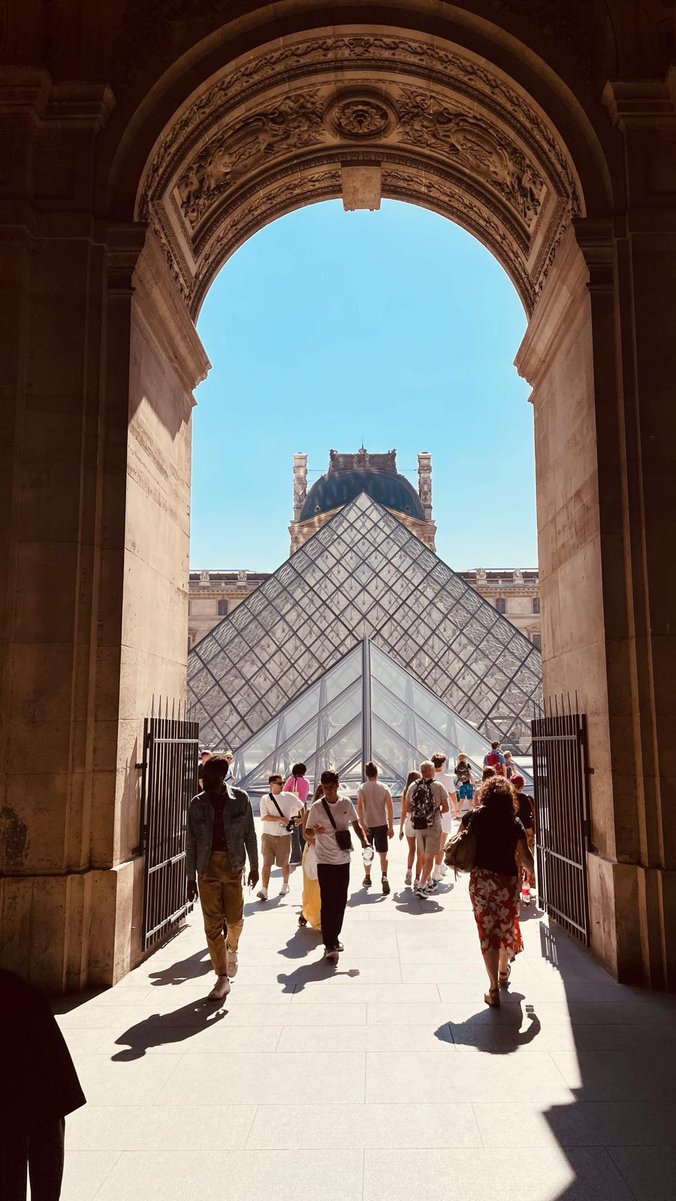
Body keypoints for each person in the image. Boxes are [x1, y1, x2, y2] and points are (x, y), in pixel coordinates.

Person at [0, 969, 86, 1201]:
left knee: (24, 1154)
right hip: (40, 1086)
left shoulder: (18, 993)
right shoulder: (19, 989)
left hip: (36, 1084)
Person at [186, 754, 259, 1001]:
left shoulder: (241, 799)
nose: (203, 780)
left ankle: (232, 948)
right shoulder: (196, 804)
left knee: (235, 920)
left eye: (207, 776)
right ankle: (222, 977)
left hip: (233, 867)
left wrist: (255, 867)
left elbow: (250, 835)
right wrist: (190, 877)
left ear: (221, 776)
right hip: (206, 870)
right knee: (212, 926)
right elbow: (191, 842)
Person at [466, 774, 535, 1007]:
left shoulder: (476, 817)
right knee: (505, 927)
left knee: (487, 931)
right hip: (507, 881)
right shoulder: (513, 822)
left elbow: (463, 840)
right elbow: (526, 857)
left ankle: (493, 987)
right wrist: (530, 875)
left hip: (481, 880)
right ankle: (504, 971)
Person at [304, 769, 368, 961]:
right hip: (324, 861)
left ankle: (334, 937)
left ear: (338, 785)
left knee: (340, 901)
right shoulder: (317, 807)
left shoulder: (346, 803)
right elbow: (307, 832)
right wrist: (315, 832)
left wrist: (365, 842)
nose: (328, 791)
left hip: (343, 860)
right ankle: (329, 942)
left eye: (331, 787)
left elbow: (356, 825)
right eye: (325, 787)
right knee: (327, 901)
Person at [407, 760, 449, 898]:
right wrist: (433, 812)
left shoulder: (413, 785)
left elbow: (408, 808)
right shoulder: (438, 786)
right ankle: (422, 885)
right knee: (429, 856)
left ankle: (429, 882)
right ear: (432, 772)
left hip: (418, 826)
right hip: (433, 826)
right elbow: (446, 808)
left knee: (423, 854)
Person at [257, 773, 301, 901]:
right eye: (280, 783)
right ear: (271, 784)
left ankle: (285, 884)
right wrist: (280, 819)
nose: (282, 785)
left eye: (283, 783)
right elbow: (264, 816)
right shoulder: (265, 799)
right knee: (266, 863)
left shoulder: (288, 796)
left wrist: (301, 819)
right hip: (268, 835)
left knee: (284, 862)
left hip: (284, 835)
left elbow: (302, 806)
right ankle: (264, 889)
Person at [357, 762, 394, 894]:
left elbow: (360, 807)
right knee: (383, 853)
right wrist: (391, 826)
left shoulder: (362, 788)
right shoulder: (384, 788)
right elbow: (390, 808)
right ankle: (384, 876)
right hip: (381, 824)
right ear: (377, 774)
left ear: (366, 774)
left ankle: (367, 877)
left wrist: (362, 824)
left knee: (367, 852)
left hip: (368, 824)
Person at [298, 783, 324, 930]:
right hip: (312, 851)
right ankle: (305, 912)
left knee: (322, 887)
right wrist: (318, 843)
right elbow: (305, 834)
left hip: (326, 852)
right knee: (311, 886)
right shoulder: (310, 811)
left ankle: (319, 916)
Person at [431, 752, 456, 882]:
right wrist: (456, 808)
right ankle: (436, 871)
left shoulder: (428, 777)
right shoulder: (447, 778)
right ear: (442, 764)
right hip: (444, 813)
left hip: (431, 813)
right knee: (442, 842)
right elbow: (452, 794)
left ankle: (438, 867)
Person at [511, 774, 536, 903]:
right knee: (528, 857)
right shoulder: (527, 798)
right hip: (527, 830)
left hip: (514, 832)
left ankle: (517, 886)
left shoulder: (509, 799)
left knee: (516, 860)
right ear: (522, 785)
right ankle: (528, 886)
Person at [399, 769, 423, 887]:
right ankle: (417, 878)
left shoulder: (405, 793)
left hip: (409, 823)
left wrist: (400, 829)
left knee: (411, 850)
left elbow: (403, 813)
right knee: (420, 852)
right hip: (419, 823)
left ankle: (409, 871)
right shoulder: (421, 791)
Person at [284, 763, 310, 865]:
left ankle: (295, 858)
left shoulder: (292, 780)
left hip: (293, 809)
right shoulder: (307, 781)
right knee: (302, 833)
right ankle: (305, 856)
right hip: (303, 808)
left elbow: (284, 792)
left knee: (294, 834)